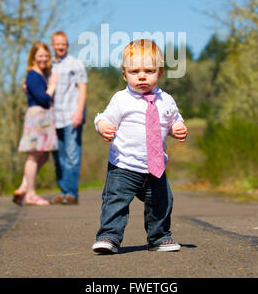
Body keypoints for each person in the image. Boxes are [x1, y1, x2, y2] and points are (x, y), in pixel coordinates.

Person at [92, 39, 188, 254]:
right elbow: (104, 118)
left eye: (149, 70)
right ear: (125, 75)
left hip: (155, 167)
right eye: (134, 71)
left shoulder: (167, 100)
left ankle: (159, 237)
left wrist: (178, 127)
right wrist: (104, 126)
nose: (142, 76)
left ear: (160, 73)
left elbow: (173, 119)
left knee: (162, 204)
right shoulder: (121, 99)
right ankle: (109, 236)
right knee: (115, 202)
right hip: (124, 166)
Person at [14, 42, 58, 206]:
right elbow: (43, 98)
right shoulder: (33, 74)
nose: (44, 59)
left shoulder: (40, 74)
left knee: (44, 154)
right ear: (33, 57)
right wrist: (52, 86)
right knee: (34, 155)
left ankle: (24, 187)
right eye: (40, 55)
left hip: (44, 116)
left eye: (46, 56)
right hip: (37, 115)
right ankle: (30, 195)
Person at [49, 31, 88, 205]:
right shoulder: (48, 65)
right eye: (57, 43)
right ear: (52, 45)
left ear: (67, 44)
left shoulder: (75, 63)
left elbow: (83, 88)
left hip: (72, 115)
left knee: (72, 156)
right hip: (53, 117)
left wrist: (79, 112)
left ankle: (72, 193)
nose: (60, 46)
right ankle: (63, 192)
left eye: (63, 43)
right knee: (59, 157)